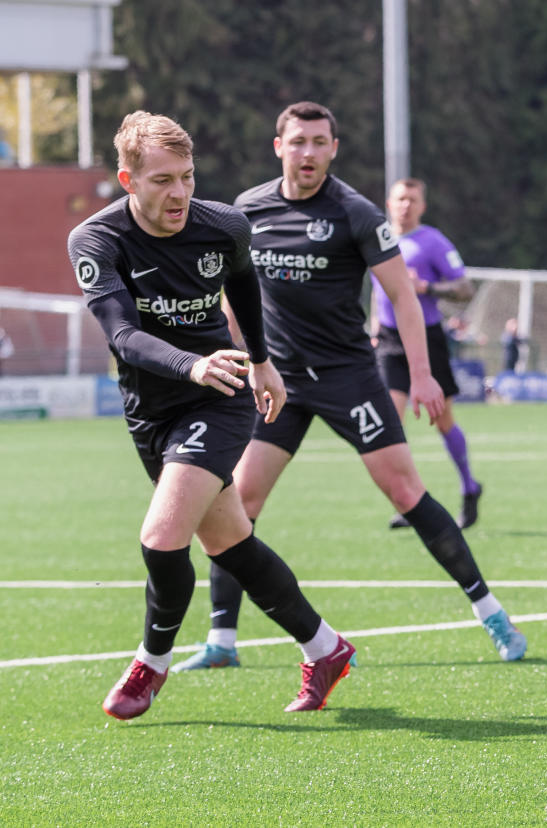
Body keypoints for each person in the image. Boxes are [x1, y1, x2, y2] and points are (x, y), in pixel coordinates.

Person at [173, 102, 525, 672]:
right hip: (278, 381)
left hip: (349, 379)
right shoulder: (247, 210)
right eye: (298, 141)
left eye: (319, 142)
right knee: (237, 500)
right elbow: (233, 298)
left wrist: (422, 374)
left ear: (334, 148)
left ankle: (491, 613)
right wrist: (232, 359)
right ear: (278, 146)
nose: (308, 152)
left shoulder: (357, 213)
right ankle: (221, 642)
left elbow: (405, 299)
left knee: (405, 492)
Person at [67, 111, 355, 719]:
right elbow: (121, 335)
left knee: (162, 538)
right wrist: (185, 365)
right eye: (163, 181)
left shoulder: (224, 224)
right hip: (151, 407)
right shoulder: (95, 240)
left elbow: (244, 284)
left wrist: (260, 361)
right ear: (128, 180)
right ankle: (326, 647)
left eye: (188, 178)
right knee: (229, 542)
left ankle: (151, 663)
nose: (179, 194)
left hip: (219, 392)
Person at [370, 178, 483, 531]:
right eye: (400, 198)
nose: (405, 205)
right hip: (389, 341)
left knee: (442, 419)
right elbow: (377, 291)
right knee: (392, 423)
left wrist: (428, 287)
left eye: (412, 200)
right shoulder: (375, 238)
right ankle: (409, 500)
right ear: (389, 203)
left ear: (422, 206)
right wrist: (374, 328)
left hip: (427, 338)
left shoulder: (433, 242)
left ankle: (469, 486)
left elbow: (465, 288)